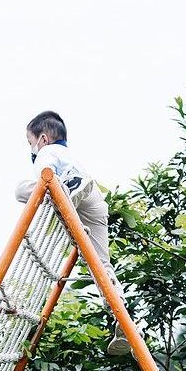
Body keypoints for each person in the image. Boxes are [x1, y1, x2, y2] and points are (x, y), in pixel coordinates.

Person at [15, 110, 130, 356]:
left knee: (22, 190)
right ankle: (124, 320)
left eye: (30, 142)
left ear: (43, 138)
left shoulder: (46, 152)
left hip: (74, 190)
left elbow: (46, 173)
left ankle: (67, 190)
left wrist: (51, 184)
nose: (31, 149)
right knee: (101, 266)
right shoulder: (70, 155)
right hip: (96, 202)